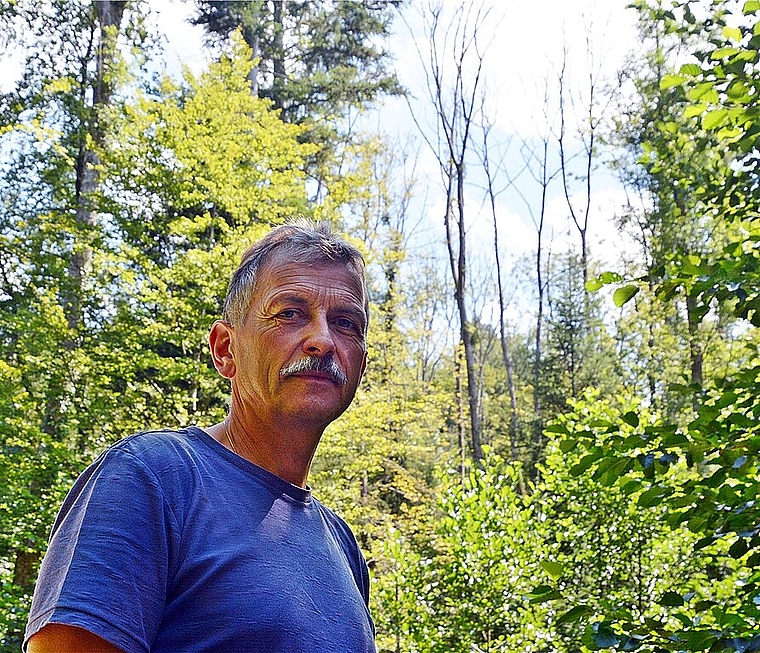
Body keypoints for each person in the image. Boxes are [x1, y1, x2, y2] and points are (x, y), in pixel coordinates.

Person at [24, 220, 376, 653]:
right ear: (226, 350)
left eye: (345, 323)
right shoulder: (152, 477)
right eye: (289, 313)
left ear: (362, 363)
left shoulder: (341, 544)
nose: (322, 339)